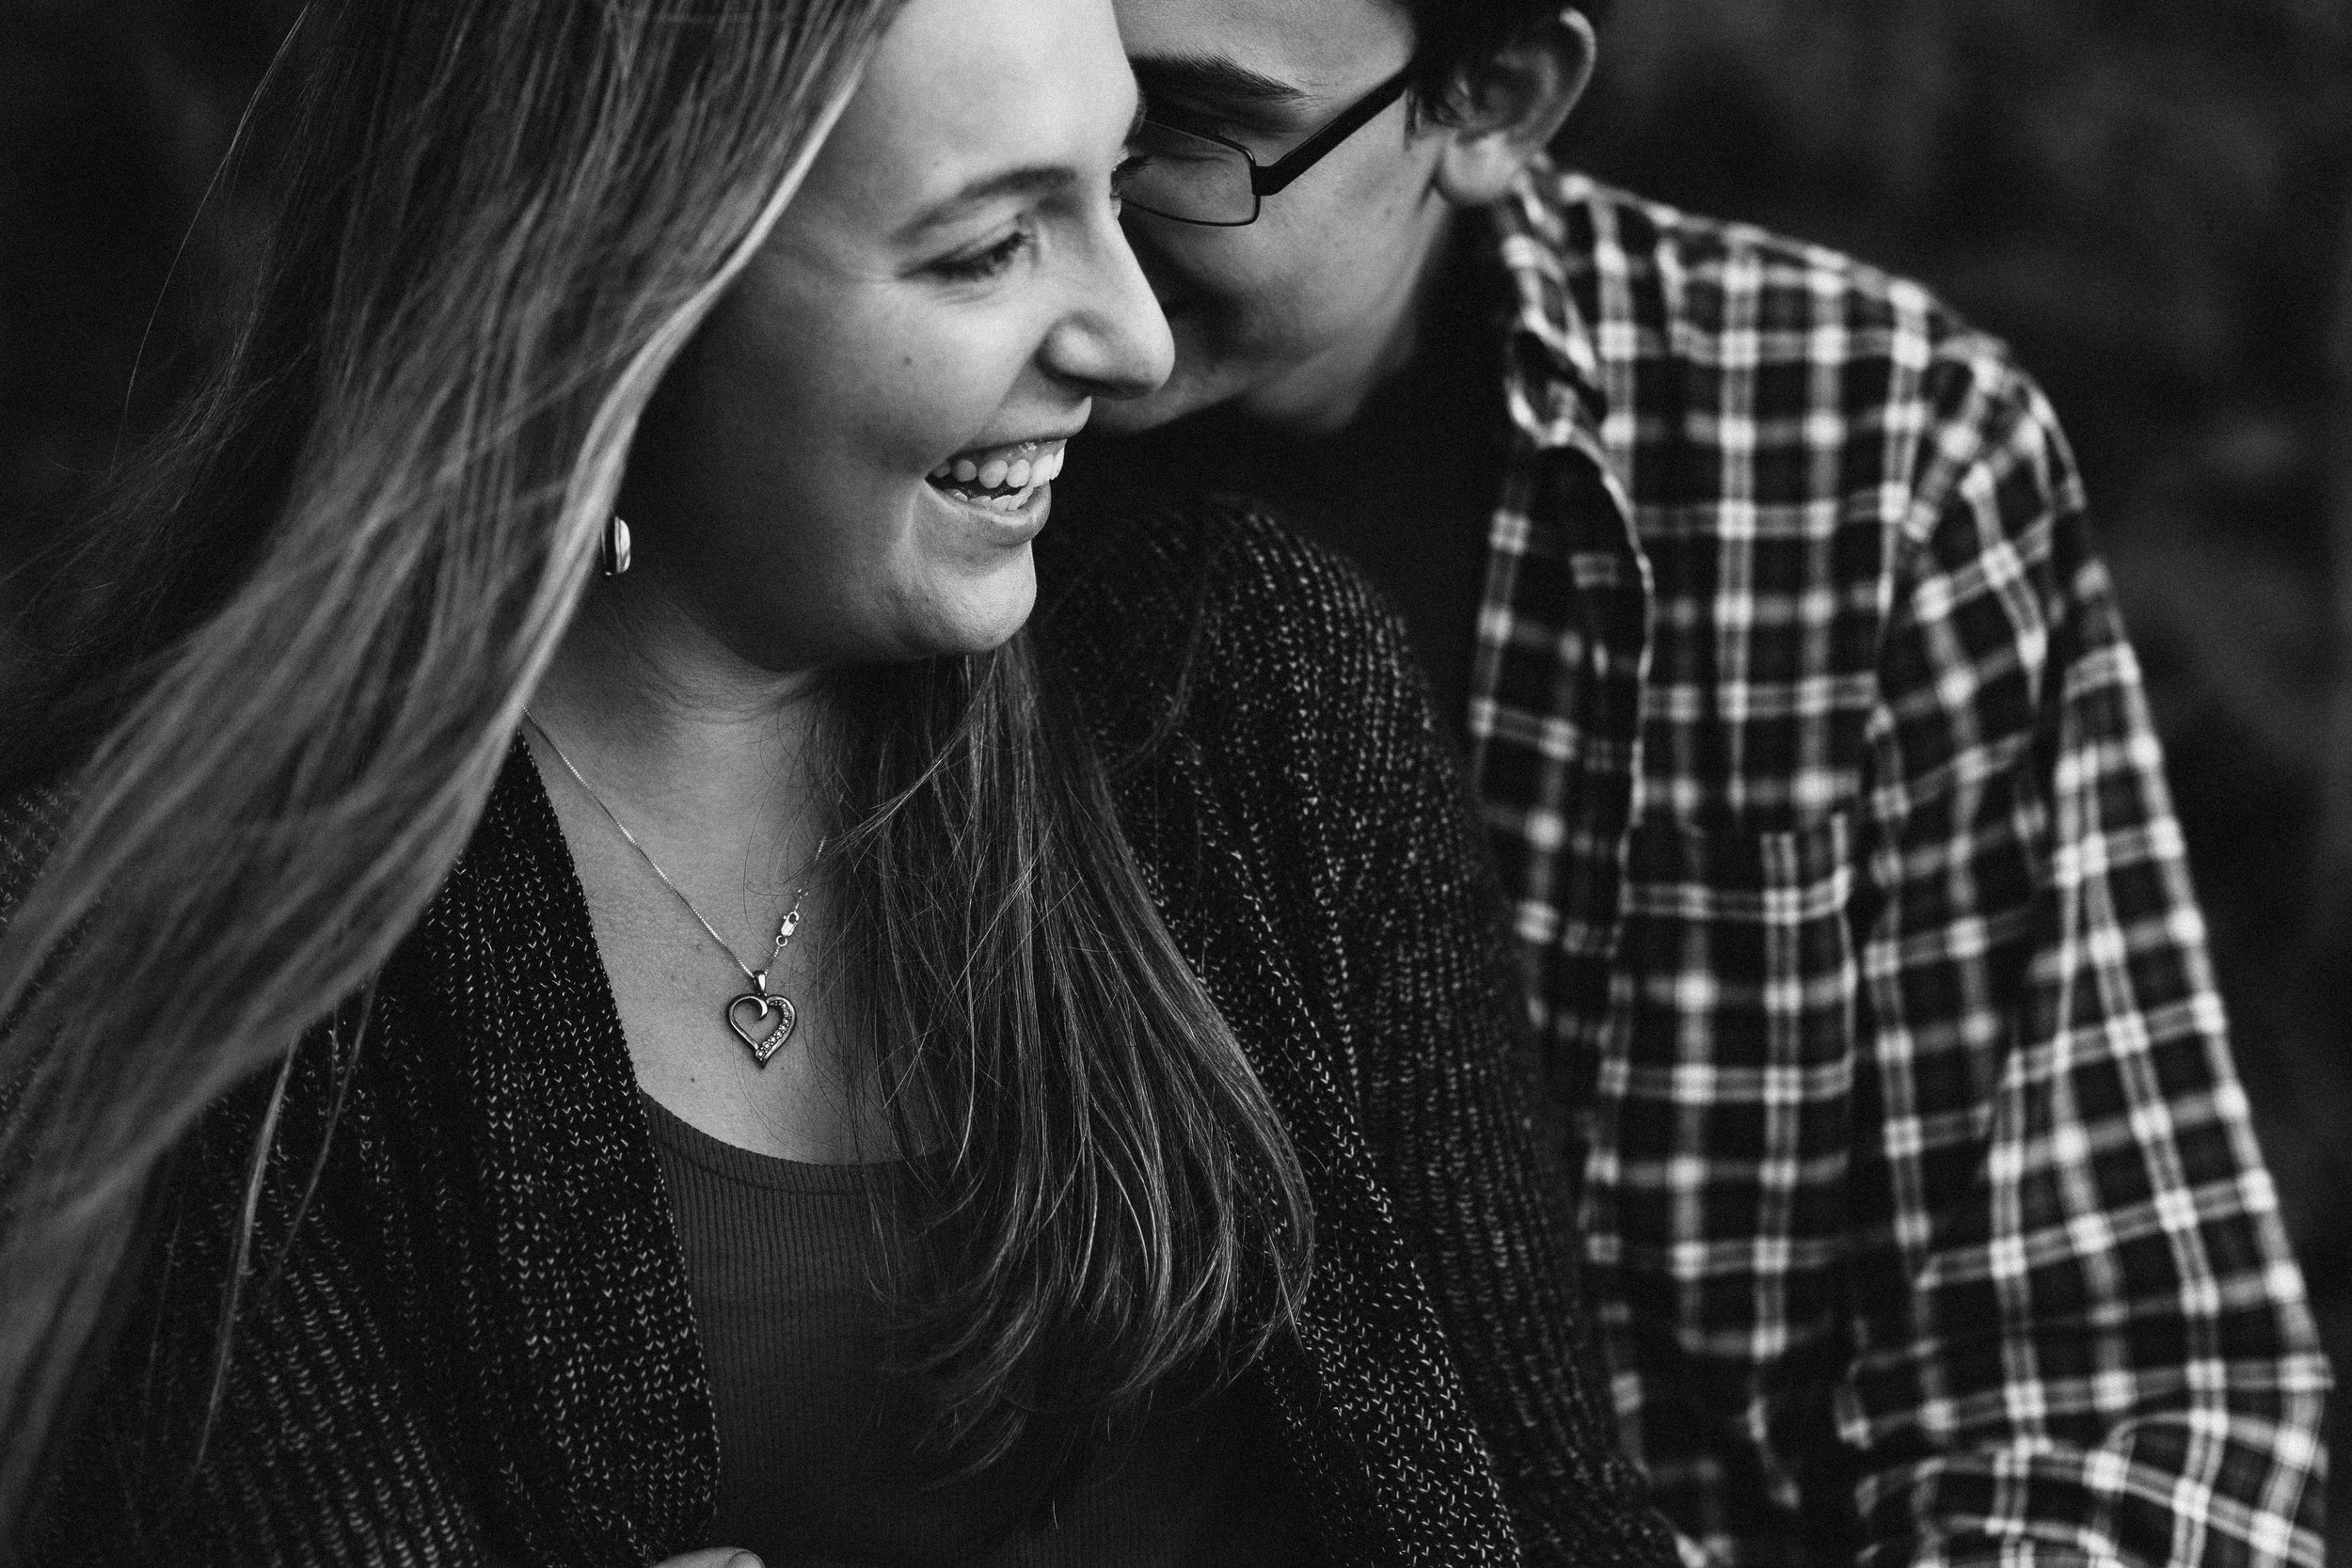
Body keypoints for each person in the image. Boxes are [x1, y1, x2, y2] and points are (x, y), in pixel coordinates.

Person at [0, 0, 1686, 1564]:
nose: (1134, 336)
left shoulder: (1255, 695)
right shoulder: (164, 935)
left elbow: (1555, 1514)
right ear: (618, 292)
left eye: (1117, 185)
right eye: (985, 248)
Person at [1069, 0, 2334, 1562]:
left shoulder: (1861, 458)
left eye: (1186, 129)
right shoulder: (863, 466)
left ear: (1493, 102)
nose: (1080, 219)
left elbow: (2104, 1401)